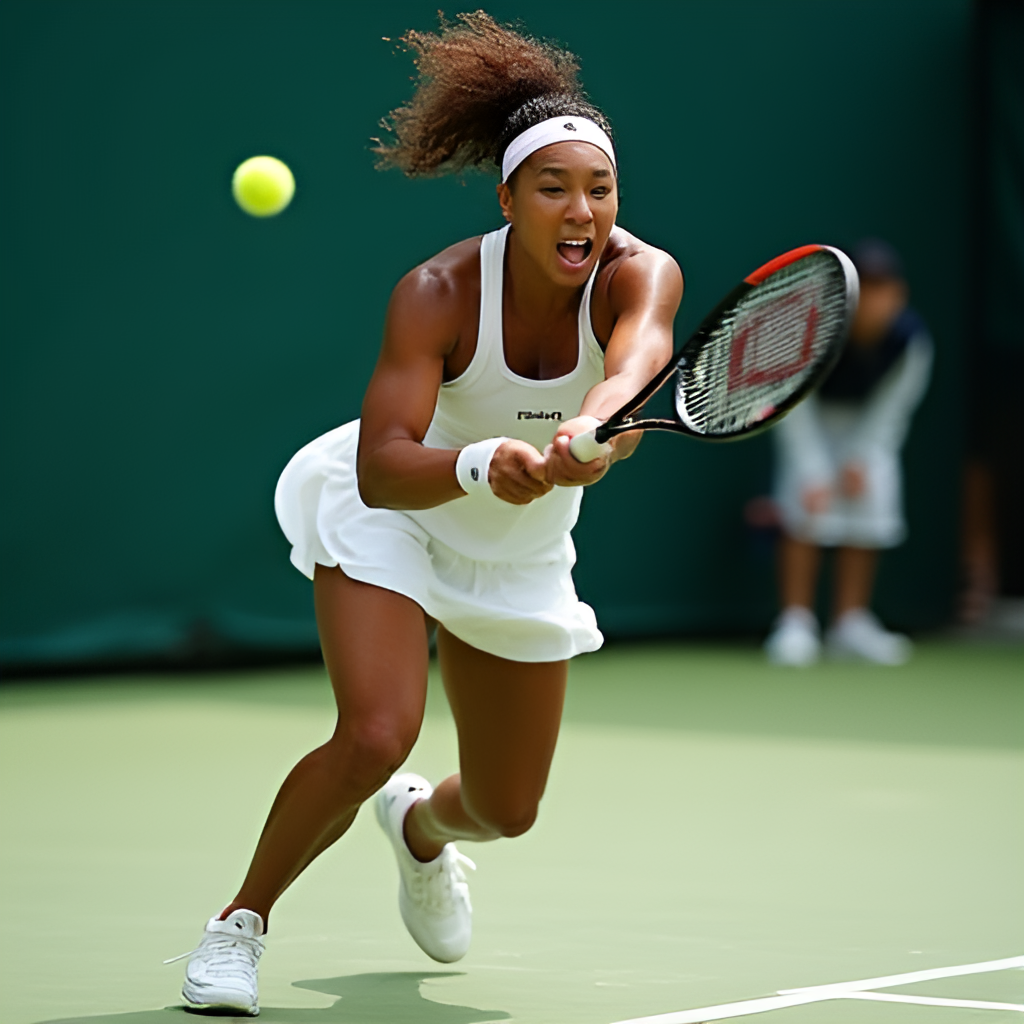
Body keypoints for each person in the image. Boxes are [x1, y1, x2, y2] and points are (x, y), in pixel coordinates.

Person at [171, 12, 682, 1016]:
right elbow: (386, 466)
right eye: (553, 188)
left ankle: (419, 830)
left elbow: (632, 373)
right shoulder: (438, 291)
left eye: (599, 188)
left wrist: (589, 435)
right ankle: (238, 927)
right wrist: (491, 460)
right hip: (395, 513)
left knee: (507, 807)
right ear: (507, 198)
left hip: (519, 549)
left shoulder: (640, 272)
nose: (581, 209)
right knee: (376, 732)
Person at [764, 238, 932, 666]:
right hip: (807, 415)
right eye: (866, 288)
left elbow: (893, 408)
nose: (875, 301)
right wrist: (812, 467)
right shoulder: (810, 326)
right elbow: (789, 399)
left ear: (899, 295)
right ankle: (796, 622)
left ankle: (850, 622)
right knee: (806, 499)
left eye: (884, 289)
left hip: (867, 425)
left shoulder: (911, 341)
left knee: (872, 493)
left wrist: (863, 456)